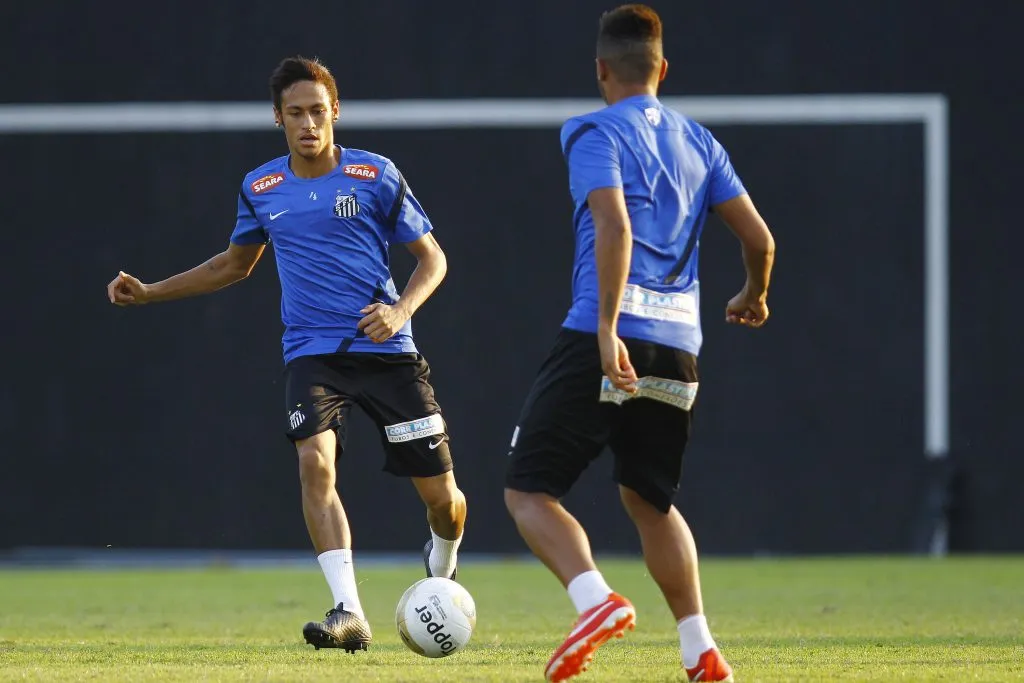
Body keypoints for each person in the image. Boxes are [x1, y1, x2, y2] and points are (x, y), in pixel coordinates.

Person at [106, 56, 467, 654]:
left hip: (387, 351)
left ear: (335, 111)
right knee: (314, 465)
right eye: (295, 112)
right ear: (278, 117)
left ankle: (444, 558)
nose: (308, 123)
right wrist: (150, 292)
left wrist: (400, 311)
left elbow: (434, 259)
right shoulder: (261, 187)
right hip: (312, 354)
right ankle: (349, 611)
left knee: (444, 503)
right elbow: (231, 266)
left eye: (318, 111)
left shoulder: (375, 174)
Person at [503, 5, 776, 682]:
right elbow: (760, 240)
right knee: (650, 501)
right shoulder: (701, 143)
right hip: (680, 346)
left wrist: (605, 328)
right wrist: (753, 294)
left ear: (601, 70)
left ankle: (593, 600)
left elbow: (615, 225)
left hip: (609, 333)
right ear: (663, 69)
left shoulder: (592, 130)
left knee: (527, 492)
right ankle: (700, 647)